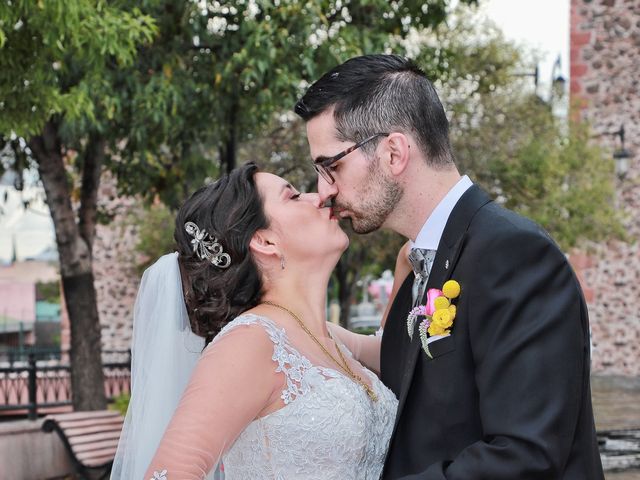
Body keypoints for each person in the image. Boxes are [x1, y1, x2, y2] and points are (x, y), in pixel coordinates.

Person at [294, 54, 604, 479]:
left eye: (331, 166)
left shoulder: (513, 254)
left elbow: (526, 455)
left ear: (394, 153)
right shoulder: (419, 264)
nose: (323, 191)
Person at [110, 162, 398, 480]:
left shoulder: (326, 337)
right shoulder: (250, 342)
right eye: (293, 196)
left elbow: (401, 353)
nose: (318, 197)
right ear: (265, 241)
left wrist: (409, 259)